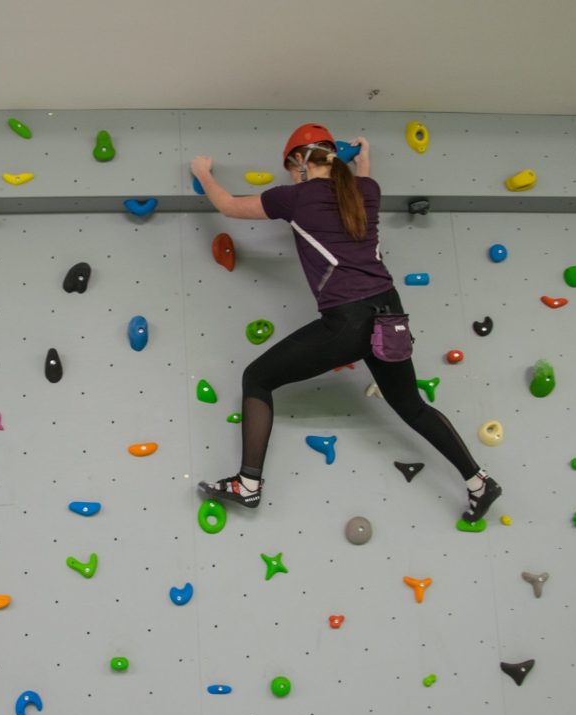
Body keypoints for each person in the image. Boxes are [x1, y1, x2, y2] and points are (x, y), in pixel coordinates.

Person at [189, 123, 501, 524]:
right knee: (411, 406)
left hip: (349, 319)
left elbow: (230, 206)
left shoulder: (295, 197)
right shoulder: (367, 191)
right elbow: (361, 179)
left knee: (257, 378)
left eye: (290, 168)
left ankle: (248, 484)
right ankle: (479, 481)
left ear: (300, 162)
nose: (291, 176)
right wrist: (364, 156)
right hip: (391, 316)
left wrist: (203, 173)